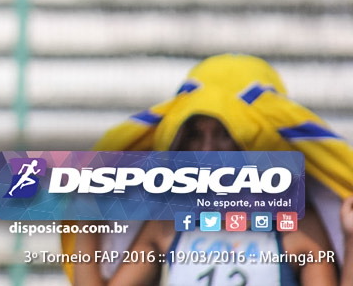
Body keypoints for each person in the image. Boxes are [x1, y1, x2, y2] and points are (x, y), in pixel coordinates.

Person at [65, 54, 353, 286]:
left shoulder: (300, 231)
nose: (207, 150)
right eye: (195, 134)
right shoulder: (166, 225)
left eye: (225, 133)